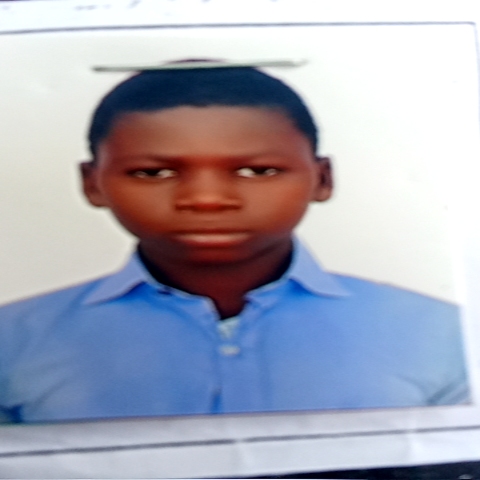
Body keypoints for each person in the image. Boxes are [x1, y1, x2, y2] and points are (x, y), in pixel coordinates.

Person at [0, 64, 469, 424]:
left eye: (257, 171)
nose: (206, 199)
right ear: (92, 183)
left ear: (322, 179)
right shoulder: (13, 341)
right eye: (154, 172)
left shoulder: (447, 335)